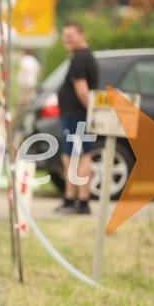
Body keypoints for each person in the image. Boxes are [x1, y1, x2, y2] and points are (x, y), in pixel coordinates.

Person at [55, 21, 99, 215]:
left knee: (80, 157)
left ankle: (82, 202)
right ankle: (70, 199)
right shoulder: (82, 57)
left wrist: (91, 115)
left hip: (77, 116)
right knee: (70, 157)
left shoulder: (81, 59)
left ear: (81, 34)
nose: (67, 39)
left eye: (71, 35)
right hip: (75, 116)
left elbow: (82, 92)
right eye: (64, 36)